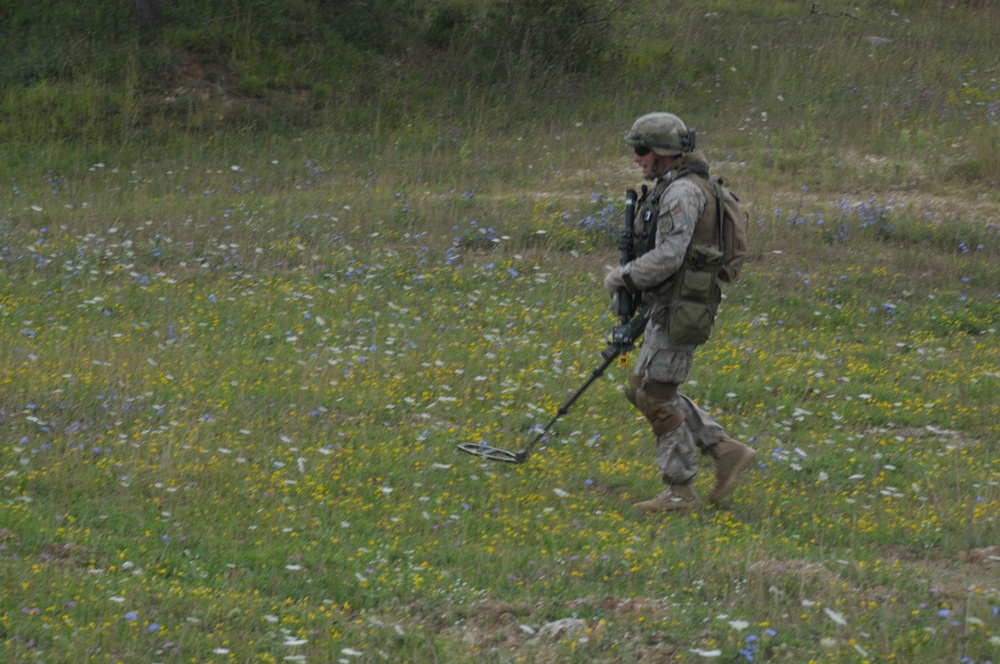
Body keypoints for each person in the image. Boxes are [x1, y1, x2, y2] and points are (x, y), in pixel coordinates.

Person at [603, 112, 756, 513]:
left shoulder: (681, 194)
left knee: (654, 396)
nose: (637, 160)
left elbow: (670, 255)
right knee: (639, 386)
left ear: (666, 153)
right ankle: (723, 449)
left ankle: (680, 491)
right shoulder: (675, 187)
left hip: (681, 306)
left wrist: (623, 277)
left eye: (642, 150)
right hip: (671, 303)